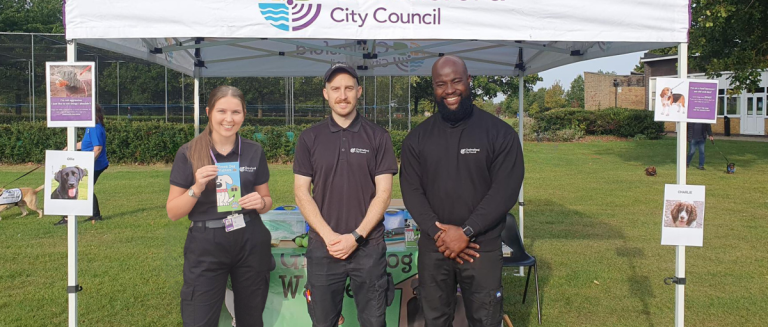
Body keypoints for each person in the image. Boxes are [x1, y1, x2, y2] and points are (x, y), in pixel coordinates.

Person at [400, 56, 525, 327]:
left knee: (485, 320)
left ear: (469, 81)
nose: (449, 90)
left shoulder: (500, 134)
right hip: (435, 249)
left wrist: (466, 231)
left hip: (481, 247)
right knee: (434, 320)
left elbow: (505, 190)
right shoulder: (417, 138)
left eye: (456, 81)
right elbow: (411, 190)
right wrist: (441, 234)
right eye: (440, 84)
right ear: (433, 88)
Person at [294, 63, 398, 327]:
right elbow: (301, 193)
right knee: (322, 322)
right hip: (323, 247)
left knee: (374, 322)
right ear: (325, 93)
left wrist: (356, 236)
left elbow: (384, 194)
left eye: (349, 88)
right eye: (336, 89)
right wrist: (330, 238)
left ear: (359, 91)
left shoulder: (378, 136)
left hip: (368, 246)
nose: (343, 95)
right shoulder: (309, 138)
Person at [167, 86, 273, 327]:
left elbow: (267, 200)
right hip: (206, 242)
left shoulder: (254, 151)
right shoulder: (189, 153)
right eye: (222, 111)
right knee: (199, 319)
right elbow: (173, 212)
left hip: (249, 237)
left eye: (236, 112)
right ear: (209, 112)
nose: (229, 118)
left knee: (251, 318)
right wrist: (196, 188)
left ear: (244, 114)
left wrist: (261, 202)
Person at [55, 104, 109, 225]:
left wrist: (88, 164)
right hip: (95, 164)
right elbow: (85, 144)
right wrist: (69, 147)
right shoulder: (90, 127)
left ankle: (68, 218)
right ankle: (95, 215)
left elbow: (98, 148)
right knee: (87, 189)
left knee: (77, 187)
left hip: (96, 165)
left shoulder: (95, 127)